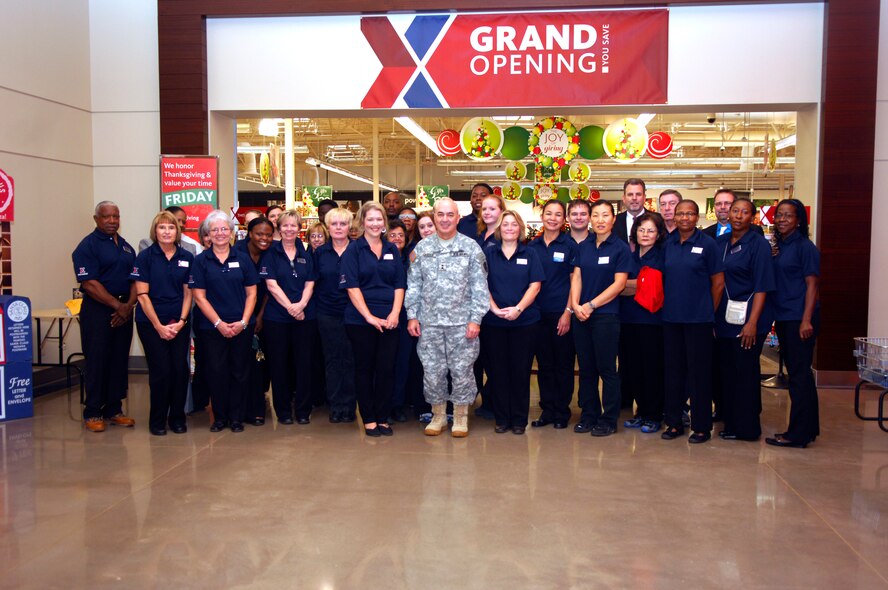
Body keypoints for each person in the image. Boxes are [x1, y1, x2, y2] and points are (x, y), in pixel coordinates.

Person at [407, 197, 489, 436]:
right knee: (432, 372)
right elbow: (413, 285)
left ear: (457, 218)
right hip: (429, 324)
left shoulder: (471, 248)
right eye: (440, 214)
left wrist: (476, 319)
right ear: (434, 217)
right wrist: (412, 316)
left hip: (462, 325)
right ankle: (439, 415)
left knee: (462, 372)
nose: (444, 219)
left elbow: (479, 287)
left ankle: (461, 417)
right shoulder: (422, 249)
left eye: (449, 215)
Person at [660, 200, 725, 444]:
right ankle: (674, 423)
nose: (684, 218)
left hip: (699, 320)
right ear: (674, 217)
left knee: (699, 374)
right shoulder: (669, 244)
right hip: (671, 319)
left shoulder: (708, 244)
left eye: (689, 213)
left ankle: (701, 427)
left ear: (697, 217)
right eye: (680, 213)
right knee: (673, 373)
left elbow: (718, 282)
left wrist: (709, 310)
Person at [189, 210, 258, 433]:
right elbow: (199, 297)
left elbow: (252, 294)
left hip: (241, 326)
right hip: (211, 328)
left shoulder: (243, 259)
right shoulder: (200, 261)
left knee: (240, 372)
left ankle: (236, 418)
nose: (220, 233)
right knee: (216, 372)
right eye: (215, 230)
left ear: (231, 232)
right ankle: (220, 417)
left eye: (224, 229)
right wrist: (219, 323)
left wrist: (244, 322)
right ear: (208, 234)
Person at [341, 201, 406, 437]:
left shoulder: (391, 250)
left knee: (387, 369)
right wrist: (369, 317)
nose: (375, 223)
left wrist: (394, 314)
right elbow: (352, 286)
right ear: (362, 222)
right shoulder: (353, 250)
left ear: (384, 223)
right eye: (370, 219)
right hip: (360, 321)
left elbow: (400, 284)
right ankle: (368, 418)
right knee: (365, 369)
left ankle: (382, 416)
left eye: (379, 219)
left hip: (390, 320)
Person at [72, 201, 138, 432]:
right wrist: (116, 306)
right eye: (106, 217)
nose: (112, 221)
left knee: (119, 359)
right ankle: (92, 412)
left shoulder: (127, 248)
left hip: (124, 309)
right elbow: (89, 283)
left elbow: (135, 280)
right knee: (98, 360)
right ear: (96, 219)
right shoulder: (87, 246)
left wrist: (127, 306)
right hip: (99, 310)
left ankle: (114, 409)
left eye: (116, 216)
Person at [714, 198, 775, 442]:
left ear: (752, 217)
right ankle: (730, 421)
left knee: (745, 373)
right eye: (734, 211)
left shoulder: (758, 244)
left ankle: (747, 428)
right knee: (726, 372)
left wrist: (752, 323)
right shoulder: (720, 243)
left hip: (750, 318)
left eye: (744, 212)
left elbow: (762, 286)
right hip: (724, 318)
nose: (738, 216)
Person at [569, 200, 632, 437]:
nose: (600, 220)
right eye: (596, 215)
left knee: (606, 368)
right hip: (581, 316)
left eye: (605, 215)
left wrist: (591, 304)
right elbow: (577, 277)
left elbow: (620, 284)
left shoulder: (620, 248)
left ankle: (608, 418)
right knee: (586, 369)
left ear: (613, 219)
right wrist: (576, 305)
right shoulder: (583, 246)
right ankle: (589, 415)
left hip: (606, 316)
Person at [131, 211, 193, 436]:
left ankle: (177, 418)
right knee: (161, 371)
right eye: (162, 228)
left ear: (178, 231)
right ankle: (157, 420)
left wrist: (182, 321)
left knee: (180, 370)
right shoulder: (145, 257)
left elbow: (189, 294)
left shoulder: (187, 257)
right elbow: (142, 295)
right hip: (150, 323)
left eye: (171, 227)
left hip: (179, 322)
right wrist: (158, 326)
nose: (167, 232)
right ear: (155, 231)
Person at [482, 210, 543, 435]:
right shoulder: (488, 254)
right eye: (505, 224)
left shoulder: (531, 253)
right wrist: (495, 309)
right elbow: (481, 285)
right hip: (493, 322)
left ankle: (518, 420)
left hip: (525, 322)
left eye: (513, 224)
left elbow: (535, 285)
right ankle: (501, 419)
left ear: (520, 229)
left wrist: (518, 309)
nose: (509, 228)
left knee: (520, 371)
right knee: (497, 372)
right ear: (499, 228)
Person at [765, 199, 820, 448]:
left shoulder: (804, 247)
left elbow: (812, 285)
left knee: (799, 377)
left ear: (799, 220)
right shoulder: (781, 247)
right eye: (779, 215)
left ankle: (797, 435)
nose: (782, 220)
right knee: (798, 376)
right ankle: (807, 430)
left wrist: (806, 319)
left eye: (788, 215)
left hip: (799, 318)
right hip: (785, 316)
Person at [260, 210, 317, 425]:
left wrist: (301, 305)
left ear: (300, 227)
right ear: (279, 228)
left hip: (305, 317)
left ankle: (303, 410)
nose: (289, 229)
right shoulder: (271, 254)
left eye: (294, 225)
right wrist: (291, 307)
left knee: (304, 364)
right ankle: (283, 410)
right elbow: (271, 285)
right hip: (277, 318)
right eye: (285, 225)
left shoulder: (306, 254)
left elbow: (310, 283)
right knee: (279, 364)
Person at [528, 200, 578, 430]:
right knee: (545, 365)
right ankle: (547, 409)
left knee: (563, 365)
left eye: (558, 214)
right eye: (549, 213)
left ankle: (562, 411)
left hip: (561, 313)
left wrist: (568, 312)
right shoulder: (532, 246)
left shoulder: (569, 246)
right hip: (537, 314)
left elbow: (574, 282)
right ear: (542, 216)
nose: (553, 218)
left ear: (564, 219)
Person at [620, 212, 668, 434]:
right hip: (628, 320)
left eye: (650, 230)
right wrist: (635, 284)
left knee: (652, 369)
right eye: (641, 230)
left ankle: (654, 415)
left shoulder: (661, 257)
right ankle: (641, 413)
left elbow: (646, 289)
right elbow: (619, 285)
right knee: (633, 369)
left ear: (658, 234)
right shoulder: (630, 256)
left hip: (652, 322)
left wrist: (629, 285)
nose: (645, 234)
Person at [315, 207, 358, 423]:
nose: (339, 228)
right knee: (332, 360)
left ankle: (349, 406)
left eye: (343, 224)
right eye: (334, 224)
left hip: (354, 313)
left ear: (350, 227)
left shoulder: (358, 250)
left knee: (351, 360)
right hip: (327, 313)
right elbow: (313, 283)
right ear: (328, 227)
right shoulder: (320, 253)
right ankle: (335, 405)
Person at [237, 217, 273, 425]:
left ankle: (258, 408)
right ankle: (241, 410)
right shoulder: (237, 252)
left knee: (262, 363)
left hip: (266, 313)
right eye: (259, 234)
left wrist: (259, 317)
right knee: (244, 363)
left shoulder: (272, 253)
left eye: (268, 234)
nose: (264, 238)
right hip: (240, 314)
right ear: (249, 233)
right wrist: (248, 317)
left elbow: (270, 288)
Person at [387, 219, 414, 422]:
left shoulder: (411, 259)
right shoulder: (380, 257)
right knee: (384, 363)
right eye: (392, 235)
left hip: (406, 317)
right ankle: (383, 404)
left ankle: (397, 404)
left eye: (400, 236)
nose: (397, 239)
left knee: (402, 362)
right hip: (384, 315)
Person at [138, 206, 203, 256]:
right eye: (178, 220)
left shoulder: (191, 247)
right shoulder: (147, 244)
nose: (181, 224)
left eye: (184, 222)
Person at [614, 178, 647, 243]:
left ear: (644, 198)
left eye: (638, 194)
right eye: (630, 194)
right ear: (623, 198)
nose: (634, 198)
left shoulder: (658, 220)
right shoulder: (614, 222)